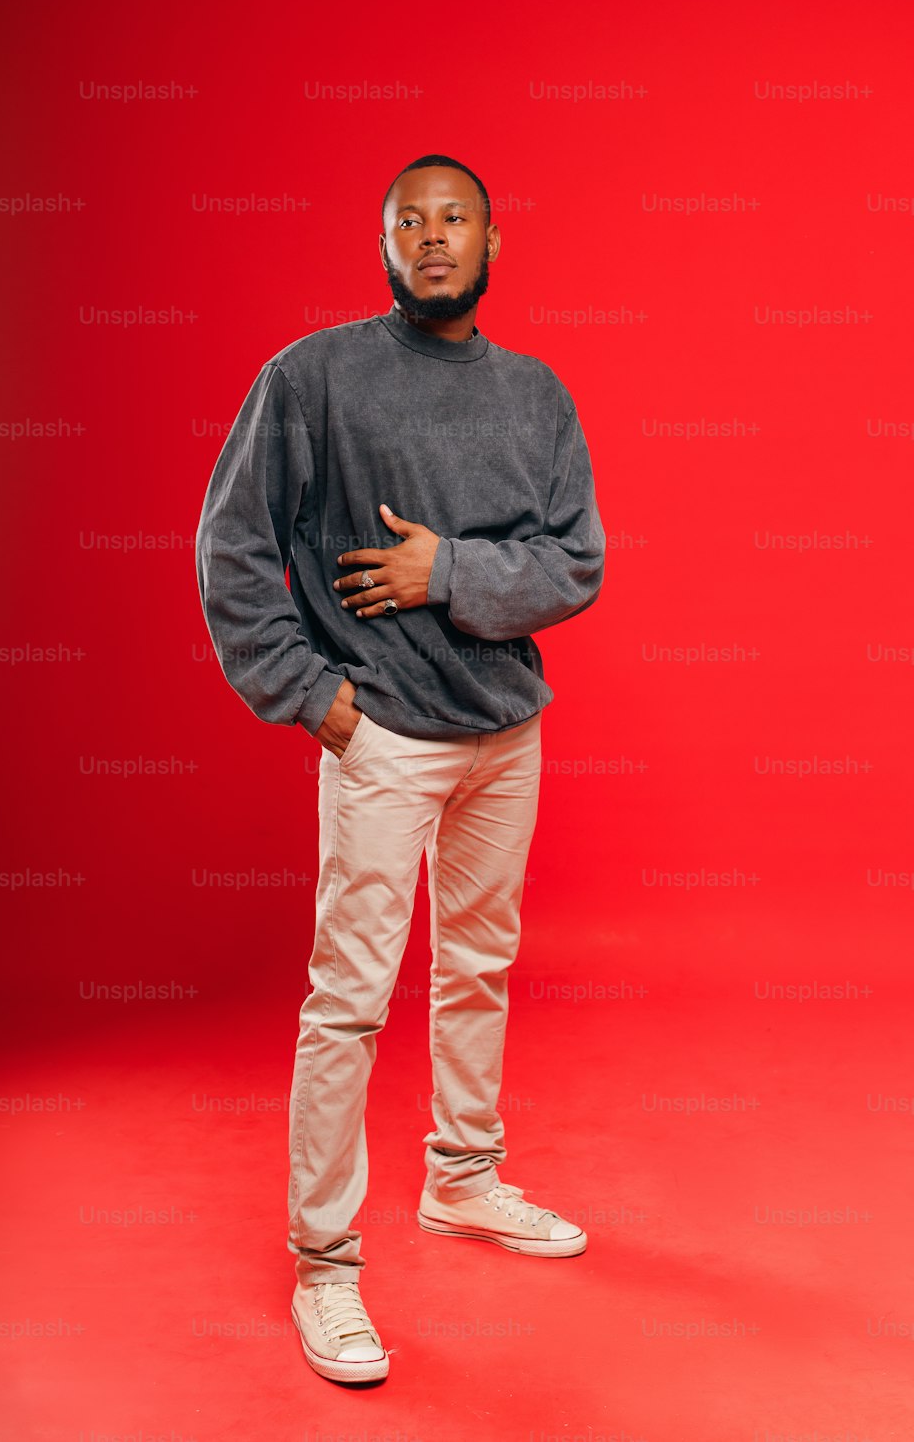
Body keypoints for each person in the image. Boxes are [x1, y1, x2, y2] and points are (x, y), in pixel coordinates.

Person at [194, 154, 607, 1385]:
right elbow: (230, 548)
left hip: (506, 733)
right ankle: (325, 1262)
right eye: (409, 222)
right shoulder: (313, 378)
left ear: (493, 241)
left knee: (478, 965)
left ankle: (463, 1182)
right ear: (383, 243)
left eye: (454, 220)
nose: (433, 239)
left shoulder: (536, 395)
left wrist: (449, 575)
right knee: (350, 998)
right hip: (382, 739)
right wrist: (311, 698)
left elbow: (574, 562)